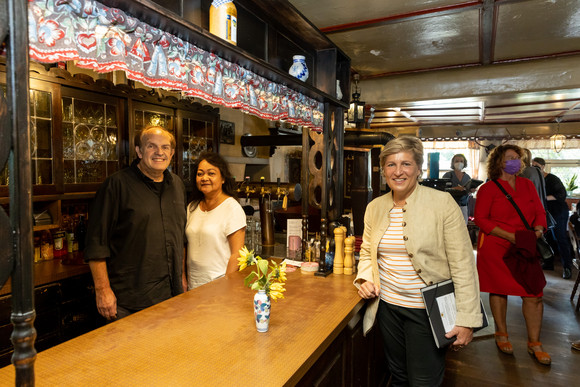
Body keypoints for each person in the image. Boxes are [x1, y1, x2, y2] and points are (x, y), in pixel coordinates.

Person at [355, 136, 482, 386]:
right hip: (388, 307)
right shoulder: (375, 207)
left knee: (424, 381)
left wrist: (467, 319)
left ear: (419, 168)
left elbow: (463, 264)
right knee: (399, 376)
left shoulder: (442, 203)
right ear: (383, 171)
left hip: (427, 311)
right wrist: (365, 278)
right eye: (391, 164)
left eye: (406, 164)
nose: (398, 171)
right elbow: (369, 252)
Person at [85, 126, 187, 321]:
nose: (159, 152)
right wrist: (103, 290)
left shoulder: (177, 185)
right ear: (139, 151)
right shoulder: (116, 185)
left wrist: (181, 277)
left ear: (172, 153)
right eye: (152, 146)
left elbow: (179, 238)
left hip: (170, 296)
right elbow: (96, 244)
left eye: (165, 147)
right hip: (130, 301)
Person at [475, 144, 550, 365]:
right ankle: (501, 334)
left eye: (518, 158)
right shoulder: (488, 189)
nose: (515, 161)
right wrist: (509, 236)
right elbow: (481, 219)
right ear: (499, 161)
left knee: (534, 293)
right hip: (496, 246)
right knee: (499, 291)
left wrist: (538, 230)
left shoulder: (527, 184)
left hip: (525, 245)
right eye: (510, 157)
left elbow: (539, 211)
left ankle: (534, 343)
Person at [184, 152, 246, 290]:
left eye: (211, 173)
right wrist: (183, 277)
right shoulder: (192, 207)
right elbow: (185, 245)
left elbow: (238, 254)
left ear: (223, 178)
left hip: (219, 285)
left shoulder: (232, 208)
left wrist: (227, 285)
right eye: (200, 174)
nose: (204, 178)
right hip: (193, 285)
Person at [532, 157, 573, 278]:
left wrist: (543, 198)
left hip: (558, 211)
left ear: (543, 166)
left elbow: (561, 195)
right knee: (547, 238)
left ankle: (567, 267)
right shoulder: (536, 180)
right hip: (545, 212)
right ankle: (549, 263)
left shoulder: (552, 179)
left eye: (537, 166)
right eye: (533, 166)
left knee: (560, 238)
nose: (535, 168)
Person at [442, 153, 471, 223]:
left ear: (464, 163)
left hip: (463, 206)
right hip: (450, 206)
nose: (459, 163)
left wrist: (471, 190)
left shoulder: (467, 177)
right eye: (457, 161)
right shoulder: (448, 175)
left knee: (463, 227)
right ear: (453, 163)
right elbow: (442, 190)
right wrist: (456, 188)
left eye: (461, 161)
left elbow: (468, 191)